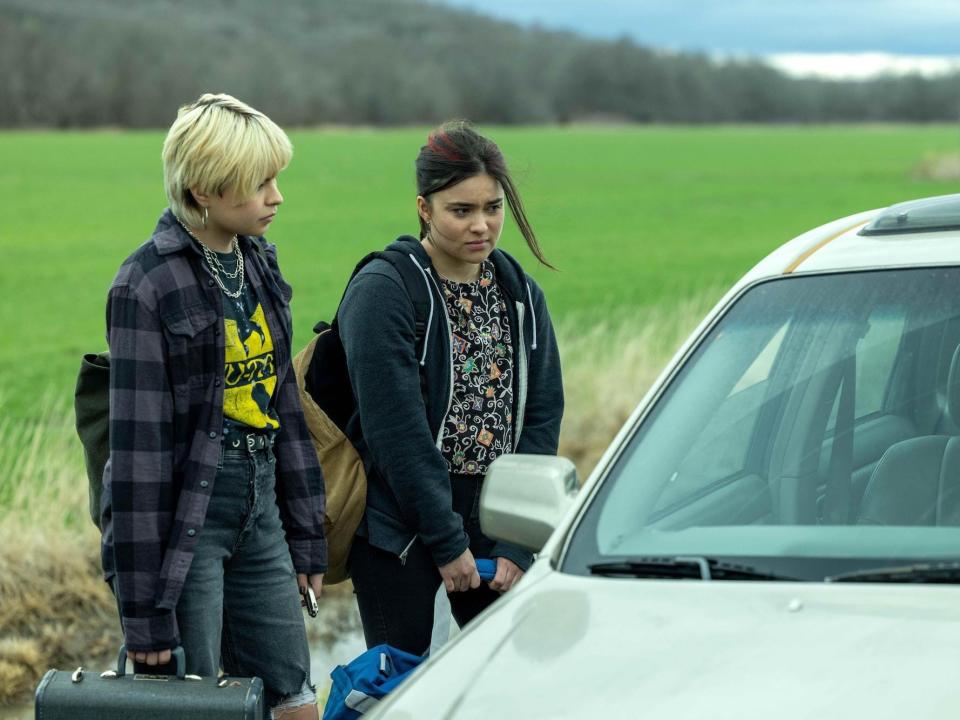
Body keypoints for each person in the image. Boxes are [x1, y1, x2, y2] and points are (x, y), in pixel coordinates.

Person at [100, 93, 326, 719]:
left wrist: (307, 536)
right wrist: (145, 616)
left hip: (262, 508)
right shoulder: (144, 284)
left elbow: (284, 409)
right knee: (191, 703)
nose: (276, 197)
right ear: (203, 190)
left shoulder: (259, 264)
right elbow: (138, 463)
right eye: (259, 184)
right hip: (186, 519)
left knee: (294, 693)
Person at [337, 120, 564, 654]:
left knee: (511, 686)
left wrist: (517, 540)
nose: (481, 225)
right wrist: (446, 539)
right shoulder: (384, 292)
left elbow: (543, 413)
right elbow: (397, 433)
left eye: (493, 207)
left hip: (497, 516)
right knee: (401, 692)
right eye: (461, 211)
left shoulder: (519, 294)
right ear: (424, 208)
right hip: (403, 528)